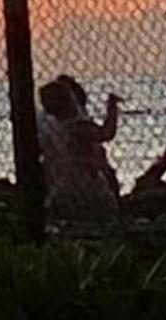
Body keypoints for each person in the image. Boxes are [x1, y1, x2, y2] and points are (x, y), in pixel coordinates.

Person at [38, 75, 121, 222]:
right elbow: (107, 133)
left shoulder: (52, 129)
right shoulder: (79, 127)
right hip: (88, 189)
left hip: (60, 188)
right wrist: (112, 108)